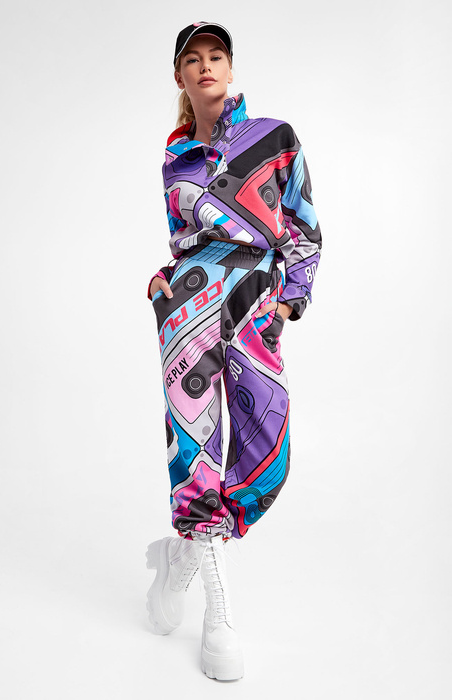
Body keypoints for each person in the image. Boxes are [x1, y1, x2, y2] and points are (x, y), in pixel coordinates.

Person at [145, 21, 322, 681]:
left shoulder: (273, 137)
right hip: (187, 307)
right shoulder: (176, 158)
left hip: (253, 306)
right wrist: (163, 284)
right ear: (180, 76)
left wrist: (289, 301)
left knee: (263, 450)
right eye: (193, 59)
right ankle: (218, 617)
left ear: (229, 65)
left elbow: (303, 228)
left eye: (216, 55)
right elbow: (181, 238)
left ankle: (181, 559)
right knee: (196, 449)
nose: (206, 66)